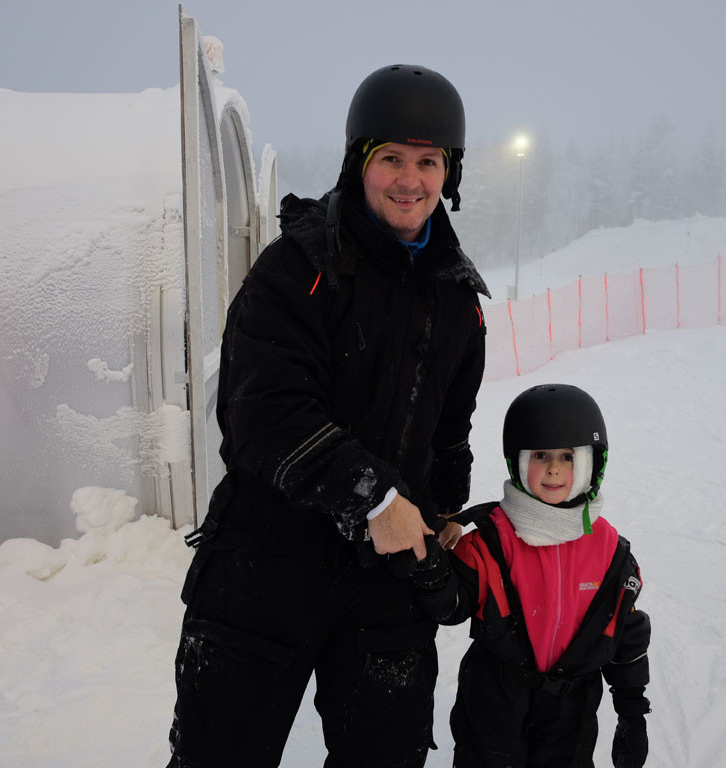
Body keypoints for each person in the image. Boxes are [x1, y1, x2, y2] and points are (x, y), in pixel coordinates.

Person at [166, 64, 489, 768]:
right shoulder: (298, 270)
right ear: (358, 161)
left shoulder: (456, 300)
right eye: (391, 158)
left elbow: (448, 432)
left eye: (428, 162)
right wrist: (375, 498)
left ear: (450, 173)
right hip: (267, 559)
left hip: (385, 580)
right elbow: (264, 415)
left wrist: (441, 509)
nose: (410, 180)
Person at [411, 383, 652, 767]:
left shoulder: (609, 552)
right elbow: (453, 606)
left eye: (568, 456)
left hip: (569, 717)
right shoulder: (491, 541)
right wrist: (429, 565)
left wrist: (632, 712)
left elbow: (624, 633)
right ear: (519, 462)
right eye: (540, 455)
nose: (554, 468)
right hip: (495, 707)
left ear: (592, 463)